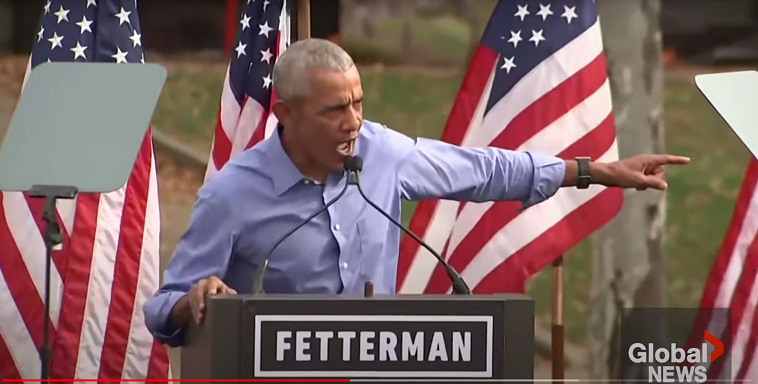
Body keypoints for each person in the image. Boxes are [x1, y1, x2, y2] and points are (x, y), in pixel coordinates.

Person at [143, 38, 690, 347]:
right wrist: (194, 303)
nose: (353, 121)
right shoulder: (233, 194)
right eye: (334, 109)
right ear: (285, 114)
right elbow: (163, 306)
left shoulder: (381, 152)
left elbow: (482, 171)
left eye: (358, 103)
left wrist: (592, 171)